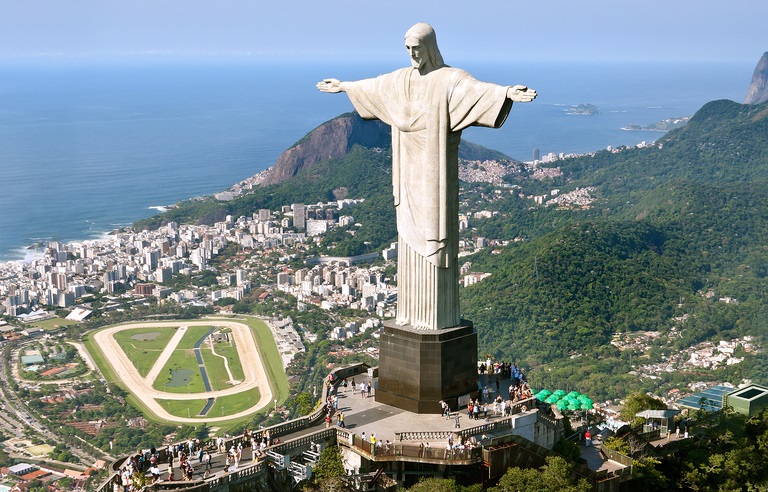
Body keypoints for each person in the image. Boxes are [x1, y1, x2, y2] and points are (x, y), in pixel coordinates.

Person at [317, 23, 535, 330]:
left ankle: (437, 318)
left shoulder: (449, 79)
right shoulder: (401, 79)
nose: (411, 54)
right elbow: (374, 87)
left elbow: (477, 92)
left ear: (429, 47)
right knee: (407, 237)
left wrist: (506, 93)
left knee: (436, 238)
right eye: (406, 48)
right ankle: (410, 315)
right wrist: (344, 86)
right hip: (407, 172)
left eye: (416, 48)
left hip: (435, 175)